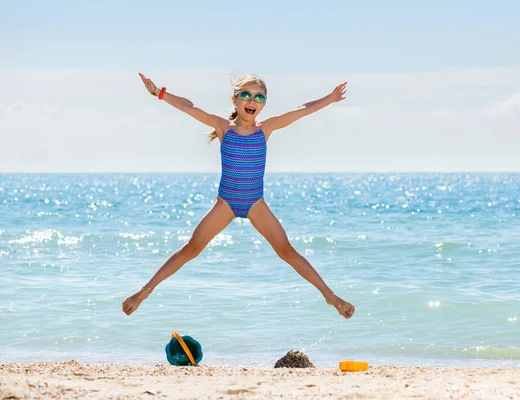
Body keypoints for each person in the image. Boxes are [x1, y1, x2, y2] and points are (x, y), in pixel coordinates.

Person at [122, 73, 355, 319]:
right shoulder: (224, 128)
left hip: (255, 203)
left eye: (258, 96)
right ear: (235, 100)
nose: (251, 100)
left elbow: (301, 110)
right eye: (245, 94)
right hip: (226, 203)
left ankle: (331, 297)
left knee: (287, 252)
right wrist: (158, 93)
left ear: (263, 103)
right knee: (191, 248)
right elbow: (188, 107)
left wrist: (330, 98)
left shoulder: (267, 128)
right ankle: (144, 292)